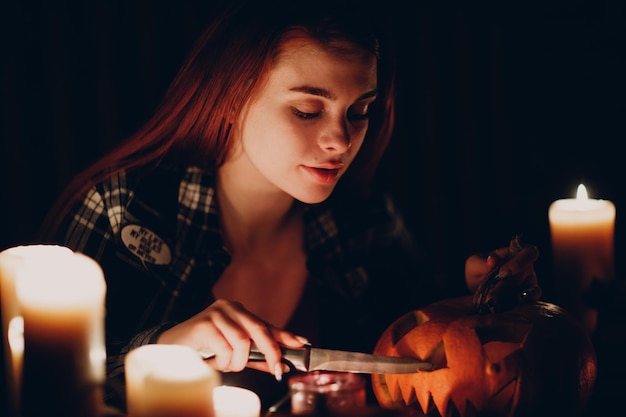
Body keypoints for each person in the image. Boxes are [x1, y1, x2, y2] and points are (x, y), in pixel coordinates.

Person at [39, 0, 539, 412]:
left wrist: (476, 302)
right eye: (306, 109)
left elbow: (432, 357)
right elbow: (43, 389)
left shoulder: (363, 224)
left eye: (359, 112)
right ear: (231, 96)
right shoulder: (123, 211)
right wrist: (166, 345)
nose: (340, 140)